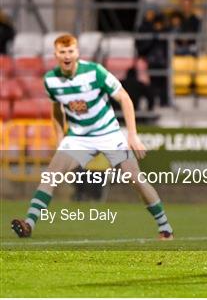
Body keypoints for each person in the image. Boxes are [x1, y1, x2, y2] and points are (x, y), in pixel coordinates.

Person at [11, 34, 173, 240]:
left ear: (77, 53)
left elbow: (124, 97)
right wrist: (60, 135)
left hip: (109, 133)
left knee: (135, 178)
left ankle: (165, 227)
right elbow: (57, 108)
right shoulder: (51, 80)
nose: (67, 55)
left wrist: (132, 135)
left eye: (70, 51)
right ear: (56, 55)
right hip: (78, 137)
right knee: (51, 175)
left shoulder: (95, 72)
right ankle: (28, 224)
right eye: (62, 52)